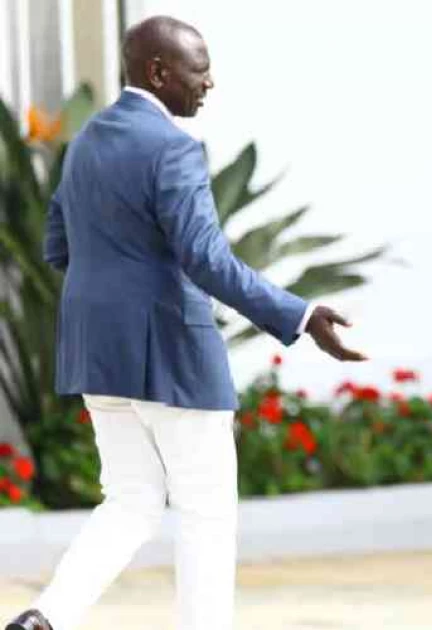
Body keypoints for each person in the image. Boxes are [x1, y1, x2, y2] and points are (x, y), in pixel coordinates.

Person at [5, 15, 365, 630]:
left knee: (130, 503)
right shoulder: (172, 147)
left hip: (100, 356)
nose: (209, 83)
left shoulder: (87, 139)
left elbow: (59, 246)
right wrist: (300, 314)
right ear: (157, 72)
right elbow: (208, 260)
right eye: (198, 70)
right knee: (205, 513)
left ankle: (44, 618)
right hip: (173, 355)